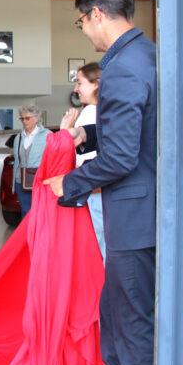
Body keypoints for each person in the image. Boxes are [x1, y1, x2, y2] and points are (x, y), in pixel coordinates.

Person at [44, 0, 157, 365]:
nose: (85, 30)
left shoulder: (123, 69)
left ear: (96, 14)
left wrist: (69, 183)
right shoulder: (146, 55)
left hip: (135, 219)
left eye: (81, 22)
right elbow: (141, 132)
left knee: (131, 325)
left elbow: (122, 156)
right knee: (116, 312)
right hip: (144, 216)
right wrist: (85, 134)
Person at [61, 62, 106, 263]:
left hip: (94, 193)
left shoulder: (92, 114)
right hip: (91, 192)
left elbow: (91, 161)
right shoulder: (95, 112)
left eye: (80, 83)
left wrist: (65, 132)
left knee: (96, 249)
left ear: (96, 84)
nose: (76, 88)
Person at [12, 105, 51, 219]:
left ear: (36, 118)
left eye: (27, 118)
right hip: (21, 180)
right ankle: (27, 236)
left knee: (39, 212)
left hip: (40, 181)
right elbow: (16, 160)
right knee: (26, 211)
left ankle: (37, 236)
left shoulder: (47, 136)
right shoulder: (18, 137)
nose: (24, 121)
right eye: (22, 119)